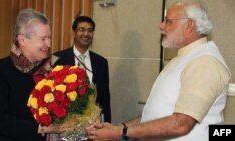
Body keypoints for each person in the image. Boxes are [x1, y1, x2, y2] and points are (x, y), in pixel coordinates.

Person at [85, 1, 231, 141]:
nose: (161, 26)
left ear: (189, 25)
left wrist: (120, 133)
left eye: (168, 21)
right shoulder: (182, 58)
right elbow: (155, 116)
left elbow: (181, 124)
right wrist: (120, 127)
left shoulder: (204, 62)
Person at [0, 8, 61, 141]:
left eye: (49, 38)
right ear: (23, 40)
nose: (48, 44)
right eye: (43, 39)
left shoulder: (54, 67)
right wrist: (41, 129)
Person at [54, 16, 111, 123]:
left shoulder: (101, 62)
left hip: (93, 124)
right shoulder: (59, 59)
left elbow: (105, 98)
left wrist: (106, 124)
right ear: (74, 33)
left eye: (90, 31)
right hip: (65, 123)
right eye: (82, 29)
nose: (86, 34)